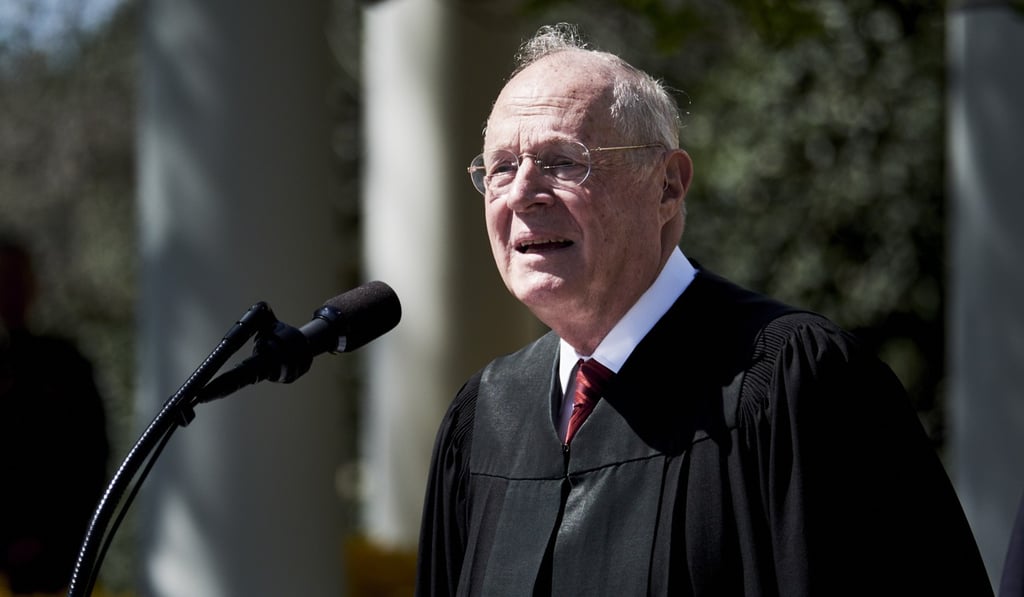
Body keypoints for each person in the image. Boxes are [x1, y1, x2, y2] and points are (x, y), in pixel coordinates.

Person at [414, 23, 993, 597]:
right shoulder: (485, 418)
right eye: (500, 169)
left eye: (564, 162)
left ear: (667, 185)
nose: (520, 193)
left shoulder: (792, 385)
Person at [0, 235, 110, 594]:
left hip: (57, 567)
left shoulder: (63, 365)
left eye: (16, 279)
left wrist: (54, 541)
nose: (9, 291)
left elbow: (91, 456)